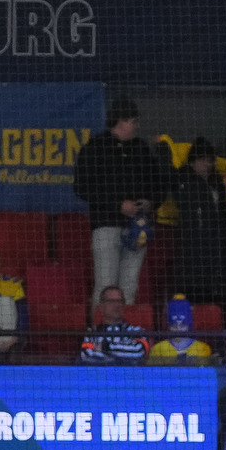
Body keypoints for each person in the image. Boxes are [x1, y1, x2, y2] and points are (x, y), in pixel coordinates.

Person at [74, 97, 166, 303]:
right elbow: (81, 186)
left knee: (129, 287)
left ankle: (125, 325)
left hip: (136, 228)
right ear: (122, 121)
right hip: (106, 227)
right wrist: (118, 205)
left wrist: (150, 201)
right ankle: (101, 325)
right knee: (105, 286)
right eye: (134, 121)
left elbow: (159, 184)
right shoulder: (95, 147)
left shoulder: (141, 149)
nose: (137, 126)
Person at [169, 138, 226, 307]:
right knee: (193, 289)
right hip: (193, 246)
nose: (207, 165)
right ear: (193, 161)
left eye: (210, 160)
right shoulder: (183, 180)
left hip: (216, 247)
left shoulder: (217, 183)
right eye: (203, 160)